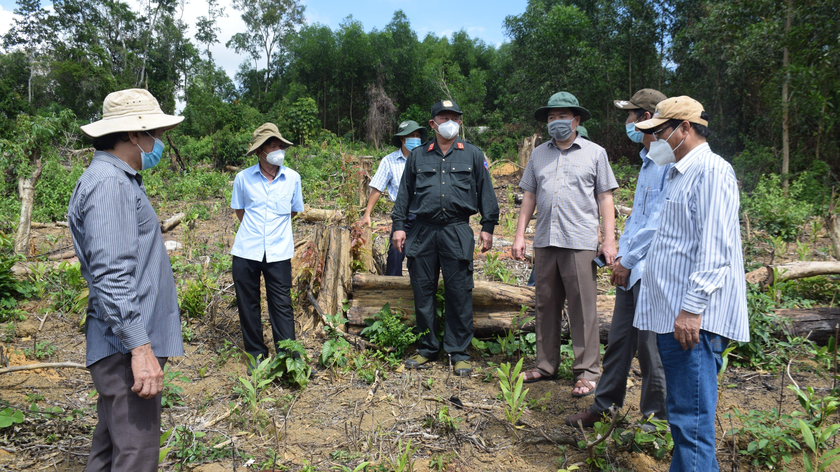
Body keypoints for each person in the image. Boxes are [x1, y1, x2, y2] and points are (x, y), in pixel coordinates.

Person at [69, 88, 185, 471]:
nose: (159, 142)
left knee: (109, 449)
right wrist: (140, 349)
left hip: (123, 344)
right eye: (155, 133)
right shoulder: (110, 185)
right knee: (135, 456)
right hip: (124, 348)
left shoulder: (119, 180)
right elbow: (112, 275)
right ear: (135, 134)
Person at [634, 96, 749, 471]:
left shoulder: (712, 171)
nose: (655, 141)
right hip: (675, 316)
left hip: (692, 322)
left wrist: (690, 309)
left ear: (685, 128)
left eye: (661, 132)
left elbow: (716, 248)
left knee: (692, 423)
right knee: (684, 420)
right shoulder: (677, 173)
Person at [566, 88, 668, 429]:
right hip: (633, 268)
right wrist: (622, 256)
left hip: (653, 272)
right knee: (621, 341)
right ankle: (605, 405)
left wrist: (629, 259)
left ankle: (655, 420)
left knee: (650, 347)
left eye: (630, 116)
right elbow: (639, 219)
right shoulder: (647, 159)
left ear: (646, 119)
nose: (627, 123)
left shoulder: (668, 161)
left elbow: (660, 223)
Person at [512, 91, 618, 397]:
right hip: (546, 239)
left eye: (562, 116)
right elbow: (529, 196)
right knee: (545, 305)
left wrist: (609, 241)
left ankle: (587, 371)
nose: (556, 122)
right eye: (551, 117)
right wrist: (520, 235)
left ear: (576, 120)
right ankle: (545, 364)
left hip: (580, 241)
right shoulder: (538, 155)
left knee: (583, 308)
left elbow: (605, 198)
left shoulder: (595, 153)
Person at [392, 99, 499, 376]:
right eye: (443, 117)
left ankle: (458, 351)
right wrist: (399, 226)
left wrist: (488, 226)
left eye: (454, 117)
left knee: (459, 292)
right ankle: (428, 347)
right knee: (423, 291)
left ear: (460, 122)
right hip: (422, 231)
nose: (448, 121)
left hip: (456, 230)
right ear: (433, 123)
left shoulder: (473, 155)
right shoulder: (418, 156)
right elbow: (404, 194)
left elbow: (486, 192)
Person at [230, 123, 304, 367]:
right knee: (248, 305)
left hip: (279, 252)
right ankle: (256, 356)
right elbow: (240, 211)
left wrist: (273, 230)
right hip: (246, 251)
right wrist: (257, 230)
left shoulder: (292, 178)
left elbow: (294, 211)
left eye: (280, 145)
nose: (278, 149)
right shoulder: (243, 179)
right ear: (260, 151)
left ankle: (288, 358)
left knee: (282, 305)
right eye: (272, 145)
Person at [361, 120, 428, 275]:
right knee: (396, 252)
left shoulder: (426, 159)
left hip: (425, 212)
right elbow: (377, 187)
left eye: (418, 135)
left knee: (423, 254)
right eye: (411, 135)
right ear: (402, 139)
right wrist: (367, 214)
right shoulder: (389, 161)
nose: (415, 139)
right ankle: (392, 287)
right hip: (403, 214)